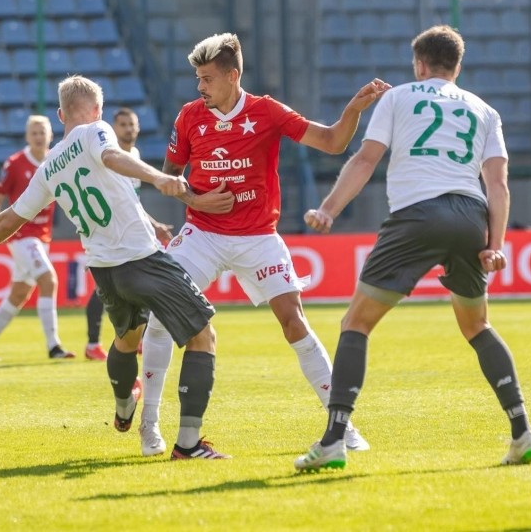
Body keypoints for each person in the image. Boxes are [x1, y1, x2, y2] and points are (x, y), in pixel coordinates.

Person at [294, 25, 531, 471]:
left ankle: (333, 440)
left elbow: (366, 158)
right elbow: (499, 184)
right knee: (477, 326)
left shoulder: (399, 96)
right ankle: (523, 431)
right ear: (457, 67)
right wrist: (496, 244)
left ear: (420, 65)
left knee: (356, 323)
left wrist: (329, 209)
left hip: (418, 214)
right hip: (471, 217)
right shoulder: (484, 109)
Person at [0, 75, 229, 460]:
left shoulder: (48, 165)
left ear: (61, 114)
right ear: (99, 110)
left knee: (128, 341)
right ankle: (189, 444)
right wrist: (158, 176)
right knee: (203, 336)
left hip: (104, 270)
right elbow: (112, 157)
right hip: (141, 258)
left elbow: (11, 218)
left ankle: (123, 406)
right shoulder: (96, 132)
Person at [137, 32, 388, 457]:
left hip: (257, 237)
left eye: (208, 79)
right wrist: (195, 199)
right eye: (198, 78)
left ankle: (342, 426)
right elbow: (170, 176)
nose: (200, 87)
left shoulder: (266, 111)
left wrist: (352, 111)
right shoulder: (189, 116)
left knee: (294, 321)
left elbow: (331, 142)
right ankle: (150, 426)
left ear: (233, 76)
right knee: (161, 317)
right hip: (202, 235)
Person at [0, 114, 75, 361]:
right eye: (34, 133)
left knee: (19, 294)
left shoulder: (57, 159)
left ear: (51, 135)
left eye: (43, 132)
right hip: (21, 236)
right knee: (48, 280)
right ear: (27, 136)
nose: (39, 137)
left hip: (42, 238)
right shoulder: (15, 164)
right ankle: (54, 346)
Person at [85, 107, 174, 361]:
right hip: (108, 232)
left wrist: (154, 225)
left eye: (132, 124)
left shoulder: (133, 155)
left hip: (130, 233)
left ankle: (137, 338)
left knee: (133, 284)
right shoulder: (108, 157)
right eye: (122, 124)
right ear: (114, 128)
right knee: (103, 289)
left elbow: (132, 201)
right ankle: (94, 343)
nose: (128, 129)